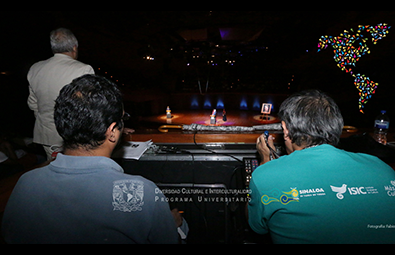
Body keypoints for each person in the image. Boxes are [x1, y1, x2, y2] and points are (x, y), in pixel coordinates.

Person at [2, 75, 181, 244]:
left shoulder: (26, 184)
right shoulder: (143, 193)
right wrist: (172, 225)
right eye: (122, 119)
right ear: (112, 132)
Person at [249, 90, 395, 244]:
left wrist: (266, 160)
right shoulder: (383, 169)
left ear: (285, 130)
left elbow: (256, 226)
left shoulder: (266, 176)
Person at [28, 28, 95, 160]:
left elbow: (33, 104)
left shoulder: (35, 68)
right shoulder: (83, 69)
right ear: (74, 48)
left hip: (46, 135)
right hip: (75, 136)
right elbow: (89, 106)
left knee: (55, 173)